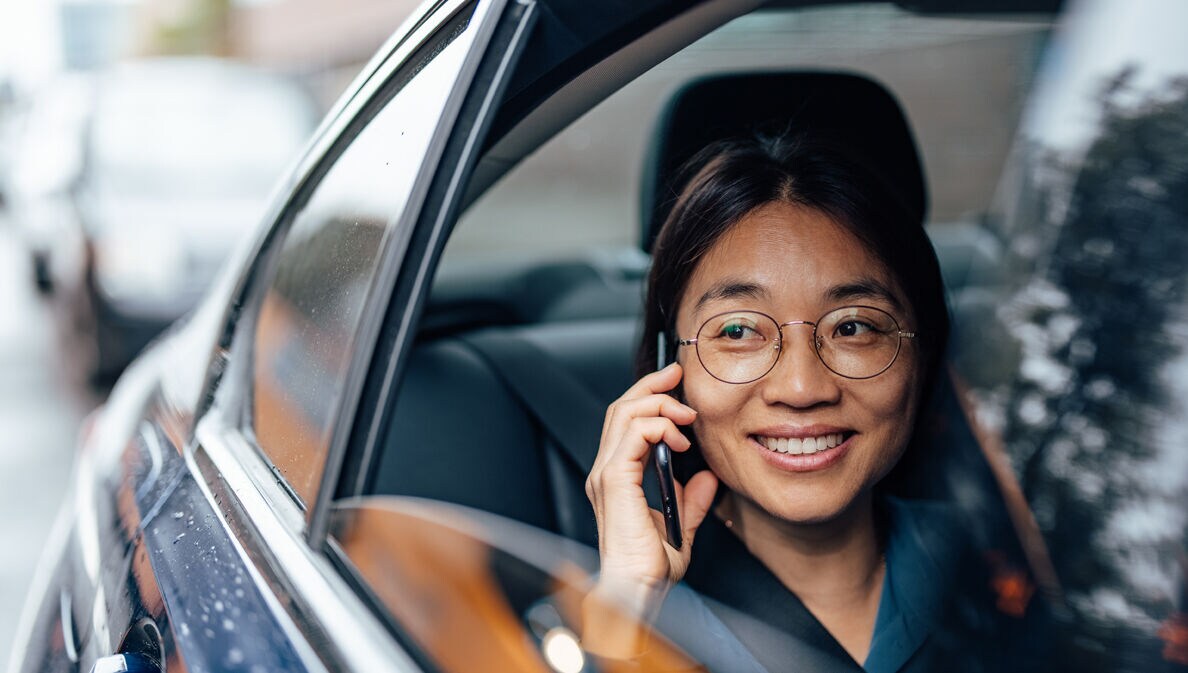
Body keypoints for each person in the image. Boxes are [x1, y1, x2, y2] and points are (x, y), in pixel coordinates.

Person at [581, 130, 982, 672]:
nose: (801, 389)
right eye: (739, 330)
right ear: (666, 368)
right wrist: (626, 607)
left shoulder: (1003, 569)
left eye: (855, 326)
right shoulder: (615, 617)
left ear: (922, 353)